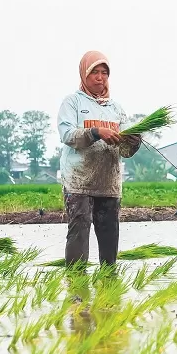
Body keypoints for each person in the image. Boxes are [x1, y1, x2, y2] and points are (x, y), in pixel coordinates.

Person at [57, 50, 142, 265]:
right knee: (79, 229)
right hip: (79, 181)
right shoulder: (73, 103)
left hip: (108, 182)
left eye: (104, 73)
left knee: (109, 232)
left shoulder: (116, 109)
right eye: (94, 72)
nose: (100, 77)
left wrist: (134, 141)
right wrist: (95, 132)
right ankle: (75, 279)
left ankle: (109, 279)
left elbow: (125, 151)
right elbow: (67, 135)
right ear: (84, 74)